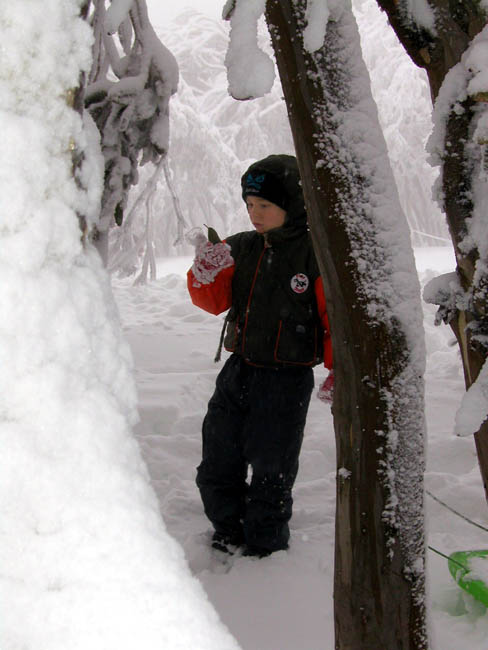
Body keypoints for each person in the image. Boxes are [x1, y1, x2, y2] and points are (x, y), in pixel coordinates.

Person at [187, 154, 333, 558]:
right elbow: (213, 302)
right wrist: (205, 273)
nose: (254, 214)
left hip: (287, 379)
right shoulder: (240, 247)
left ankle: (265, 547)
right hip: (239, 371)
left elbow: (333, 318)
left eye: (265, 205)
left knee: (272, 468)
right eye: (250, 204)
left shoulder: (314, 253)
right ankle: (227, 530)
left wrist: (339, 369)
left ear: (293, 205)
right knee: (218, 459)